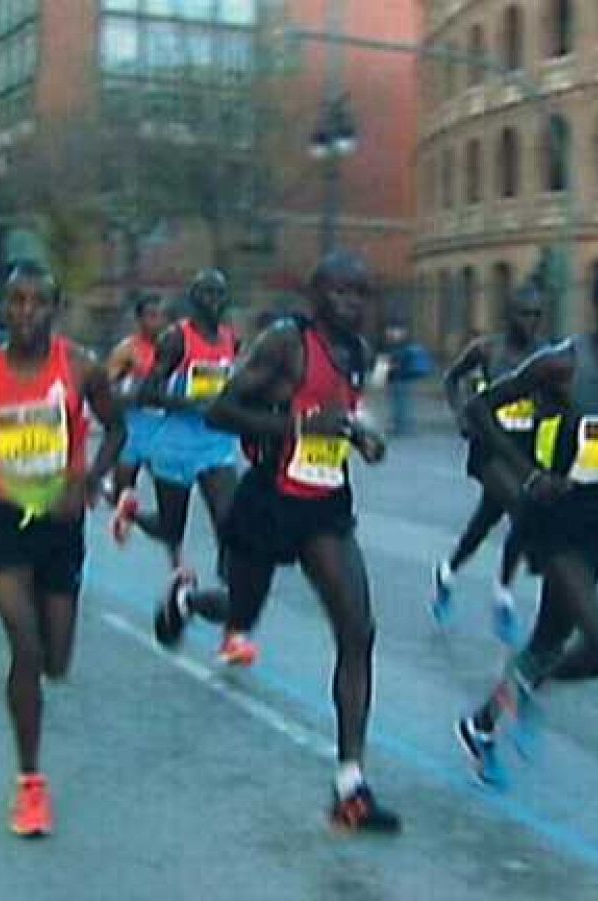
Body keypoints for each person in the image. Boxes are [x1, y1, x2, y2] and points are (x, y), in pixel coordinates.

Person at [454, 256, 598, 788]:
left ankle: (481, 723)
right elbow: (479, 411)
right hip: (554, 522)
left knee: (547, 643)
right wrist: (529, 475)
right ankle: (521, 690)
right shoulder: (562, 364)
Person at [206, 250, 402, 834]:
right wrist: (297, 426)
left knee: (358, 631)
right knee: (240, 614)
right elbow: (220, 411)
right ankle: (188, 600)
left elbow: (339, 416)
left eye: (360, 293)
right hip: (268, 501)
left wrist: (361, 439)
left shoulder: (358, 352)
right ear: (315, 296)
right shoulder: (286, 344)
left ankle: (350, 786)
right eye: (339, 292)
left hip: (324, 506)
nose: (351, 303)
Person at [0, 260, 125, 839]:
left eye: (37, 302)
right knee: (25, 645)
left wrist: (92, 476)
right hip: (0, 519)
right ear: (4, 309)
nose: (25, 313)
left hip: (59, 522)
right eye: (15, 301)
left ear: (55, 309)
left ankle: (42, 671)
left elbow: (117, 428)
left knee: (56, 662)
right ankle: (31, 784)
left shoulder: (82, 368)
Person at [111, 270, 242, 623]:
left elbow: (234, 383)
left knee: (230, 520)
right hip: (175, 447)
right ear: (193, 300)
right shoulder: (175, 340)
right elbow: (148, 392)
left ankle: (231, 589)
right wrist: (192, 404)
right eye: (206, 295)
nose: (214, 303)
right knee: (170, 528)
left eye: (220, 295)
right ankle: (133, 514)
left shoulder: (231, 339)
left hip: (215, 446)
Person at [430, 284, 544, 642]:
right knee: (523, 507)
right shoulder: (487, 350)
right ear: (509, 315)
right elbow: (451, 379)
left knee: (485, 520)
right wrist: (461, 414)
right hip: (489, 449)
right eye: (525, 314)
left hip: (524, 451)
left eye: (537, 315)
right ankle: (503, 596)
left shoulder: (544, 355)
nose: (531, 322)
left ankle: (447, 571)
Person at [102, 292, 169, 526]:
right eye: (151, 316)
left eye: (161, 316)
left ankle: (168, 533)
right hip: (133, 426)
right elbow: (106, 389)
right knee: (122, 491)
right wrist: (131, 393)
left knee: (167, 487)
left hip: (162, 426)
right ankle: (114, 496)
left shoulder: (172, 346)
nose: (157, 322)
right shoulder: (127, 350)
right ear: (139, 320)